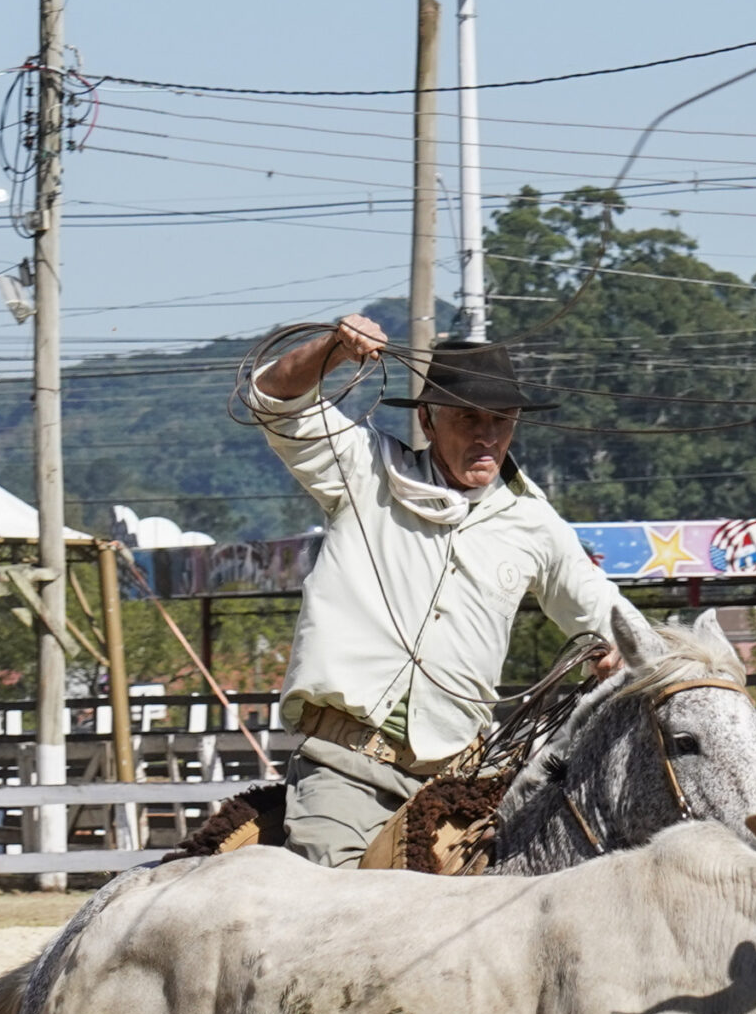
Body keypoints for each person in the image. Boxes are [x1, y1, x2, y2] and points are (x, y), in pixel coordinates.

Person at [245, 316, 630, 867]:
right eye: (468, 416)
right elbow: (275, 397)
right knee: (329, 912)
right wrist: (334, 349)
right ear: (427, 418)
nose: (487, 435)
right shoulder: (364, 471)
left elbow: (606, 613)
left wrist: (627, 647)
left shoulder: (534, 523)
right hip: (346, 768)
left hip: (460, 782)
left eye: (502, 419)